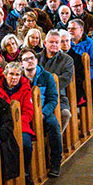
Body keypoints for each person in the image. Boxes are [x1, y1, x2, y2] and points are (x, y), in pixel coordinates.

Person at [20, 48, 63, 177]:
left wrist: (43, 114)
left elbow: (52, 99)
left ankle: (56, 162)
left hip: (44, 113)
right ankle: (25, 172)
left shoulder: (47, 76)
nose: (29, 62)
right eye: (26, 59)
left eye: (32, 58)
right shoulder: (19, 78)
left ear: (36, 60)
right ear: (21, 63)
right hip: (26, 115)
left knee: (54, 126)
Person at [0, 61, 36, 185]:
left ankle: (25, 174)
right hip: (3, 125)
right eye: (11, 74)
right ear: (5, 74)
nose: (14, 77)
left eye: (17, 75)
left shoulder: (25, 88)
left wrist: (16, 124)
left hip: (21, 125)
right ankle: (4, 180)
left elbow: (28, 112)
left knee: (25, 144)